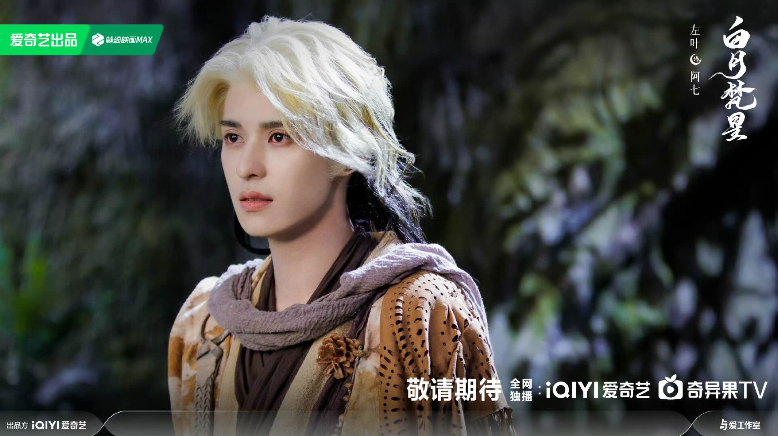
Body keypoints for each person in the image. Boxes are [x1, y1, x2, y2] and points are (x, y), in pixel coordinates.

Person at [167, 15, 514, 436]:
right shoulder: (203, 323)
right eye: (233, 138)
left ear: (344, 152)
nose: (247, 167)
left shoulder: (419, 312)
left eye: (279, 137)